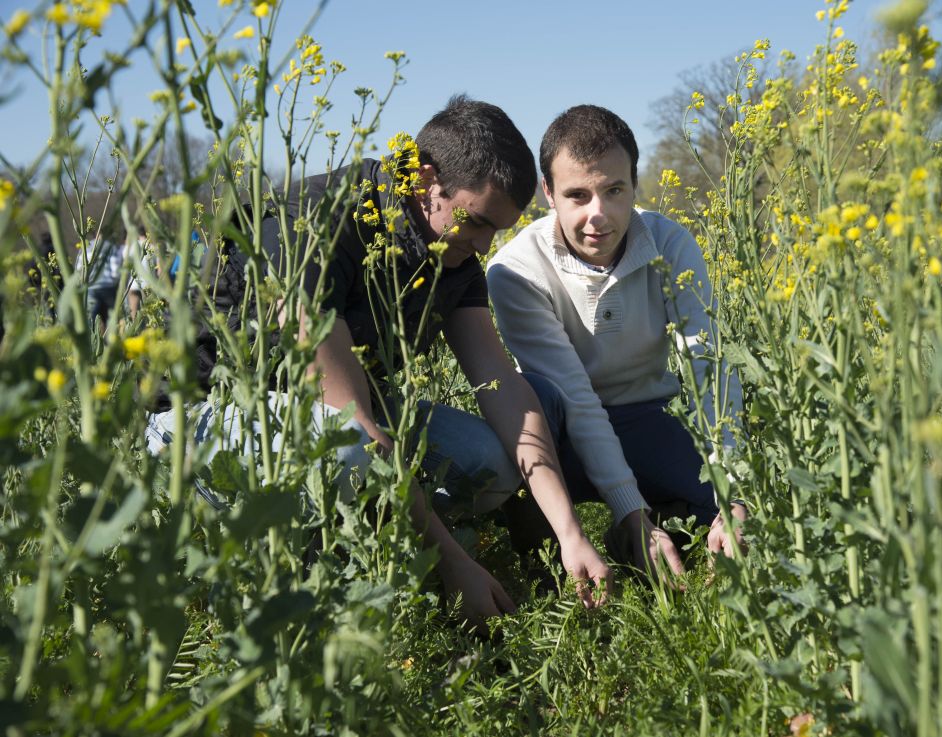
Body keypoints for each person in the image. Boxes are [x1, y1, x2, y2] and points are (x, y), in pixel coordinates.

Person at [144, 96, 612, 633]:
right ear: (426, 180)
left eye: (496, 231)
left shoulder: (450, 246)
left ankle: (398, 528)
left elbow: (500, 382)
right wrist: (452, 564)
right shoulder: (311, 224)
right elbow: (356, 426)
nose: (485, 246)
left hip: (337, 416)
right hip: (202, 417)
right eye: (479, 222)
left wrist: (570, 532)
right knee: (349, 454)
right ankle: (317, 582)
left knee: (497, 460)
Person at [486, 105, 748, 581]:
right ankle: (547, 555)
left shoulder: (670, 243)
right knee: (535, 401)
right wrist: (629, 508)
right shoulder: (516, 271)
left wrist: (735, 497)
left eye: (614, 190)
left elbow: (708, 369)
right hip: (564, 429)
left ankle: (653, 527)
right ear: (548, 193)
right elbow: (576, 397)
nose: (598, 215)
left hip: (648, 418)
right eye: (577, 195)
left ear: (634, 182)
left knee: (734, 502)